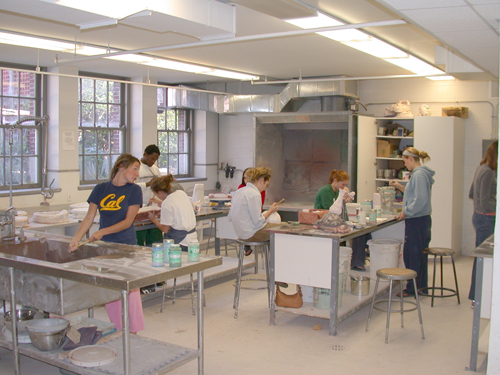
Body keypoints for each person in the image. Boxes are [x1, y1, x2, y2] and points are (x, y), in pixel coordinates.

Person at [69, 153, 145, 333]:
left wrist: (102, 231)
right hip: (105, 249)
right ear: (121, 167)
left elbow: (128, 222)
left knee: (130, 289)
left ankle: (132, 331)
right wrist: (76, 238)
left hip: (126, 246)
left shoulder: (134, 191)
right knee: (111, 290)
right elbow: (89, 217)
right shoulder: (100, 189)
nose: (137, 174)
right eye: (134, 169)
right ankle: (119, 328)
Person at [390, 147, 434, 297]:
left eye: (404, 161)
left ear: (410, 159)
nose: (405, 165)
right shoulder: (418, 175)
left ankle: (411, 289)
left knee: (412, 255)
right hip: (421, 220)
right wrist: (399, 187)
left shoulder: (419, 175)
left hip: (417, 220)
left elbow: (420, 200)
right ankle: (420, 287)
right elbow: (414, 194)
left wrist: (405, 211)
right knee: (418, 256)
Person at [314, 169, 367, 270]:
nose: (344, 187)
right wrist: (342, 198)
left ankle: (356, 262)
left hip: (334, 221)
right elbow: (331, 210)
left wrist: (345, 199)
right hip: (324, 223)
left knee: (360, 232)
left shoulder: (336, 191)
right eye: (343, 184)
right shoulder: (326, 191)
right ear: (335, 181)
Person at [468, 141, 497, 305]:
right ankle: (476, 297)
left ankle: (476, 296)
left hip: (480, 216)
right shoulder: (489, 172)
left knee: (481, 259)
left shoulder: (481, 168)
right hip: (486, 218)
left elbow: (472, 193)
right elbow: (485, 201)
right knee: (482, 260)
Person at [229, 167, 281, 255]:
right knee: (285, 229)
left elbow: (230, 216)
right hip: (251, 234)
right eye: (266, 185)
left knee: (278, 227)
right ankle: (279, 264)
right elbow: (258, 222)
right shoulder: (254, 194)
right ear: (262, 180)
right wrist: (270, 211)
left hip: (240, 233)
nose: (265, 188)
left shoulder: (239, 192)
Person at [147, 174, 197, 251]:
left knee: (147, 249)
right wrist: (161, 202)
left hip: (180, 242)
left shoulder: (167, 203)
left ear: (160, 192)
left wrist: (153, 219)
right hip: (192, 239)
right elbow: (176, 206)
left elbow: (165, 229)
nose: (156, 196)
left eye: (156, 194)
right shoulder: (181, 193)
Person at [135, 145, 164, 246]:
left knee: (156, 241)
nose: (153, 162)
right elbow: (130, 187)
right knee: (138, 241)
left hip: (153, 209)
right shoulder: (136, 168)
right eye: (152, 158)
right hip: (139, 209)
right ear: (145, 154)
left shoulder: (155, 169)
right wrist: (147, 184)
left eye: (156, 159)